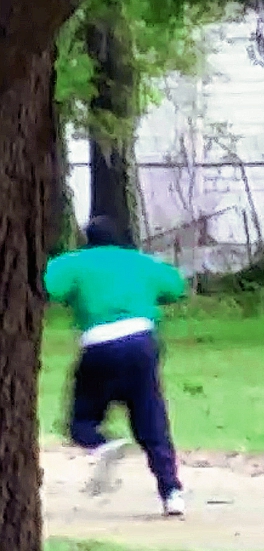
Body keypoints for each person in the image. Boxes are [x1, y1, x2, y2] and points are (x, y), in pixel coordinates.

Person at [45, 215, 189, 517]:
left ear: (87, 239)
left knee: (80, 419)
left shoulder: (75, 263)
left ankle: (101, 443)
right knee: (151, 420)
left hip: (100, 344)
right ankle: (171, 491)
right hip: (142, 341)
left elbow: (49, 286)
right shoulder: (139, 262)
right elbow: (175, 286)